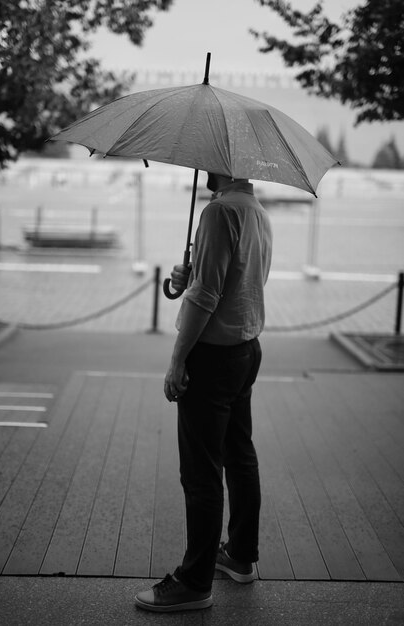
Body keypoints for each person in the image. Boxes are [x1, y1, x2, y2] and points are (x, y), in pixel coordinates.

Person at [135, 171, 273, 613]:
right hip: (246, 349)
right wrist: (184, 279)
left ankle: (194, 582)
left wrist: (178, 361)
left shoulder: (217, 212)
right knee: (238, 454)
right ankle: (240, 556)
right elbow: (228, 283)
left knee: (201, 472)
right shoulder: (258, 213)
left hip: (212, 359)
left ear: (222, 161)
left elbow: (208, 295)